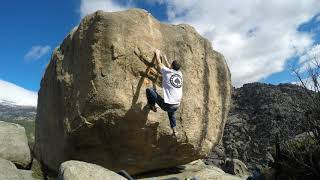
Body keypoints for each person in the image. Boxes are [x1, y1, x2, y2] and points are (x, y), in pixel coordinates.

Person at [146, 49, 183, 136]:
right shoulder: (180, 74)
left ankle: (152, 106)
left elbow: (159, 63)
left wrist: (157, 54)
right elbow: (170, 68)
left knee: (149, 90)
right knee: (171, 113)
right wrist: (166, 60)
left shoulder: (167, 71)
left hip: (169, 105)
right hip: (177, 104)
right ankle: (174, 130)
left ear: (171, 66)